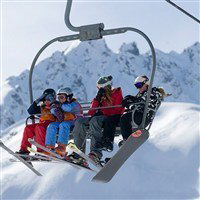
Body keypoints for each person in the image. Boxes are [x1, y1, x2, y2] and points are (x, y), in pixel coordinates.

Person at [72, 75, 124, 163]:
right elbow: (91, 112)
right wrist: (97, 98)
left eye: (100, 88)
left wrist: (103, 111)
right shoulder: (99, 97)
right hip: (97, 116)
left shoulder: (116, 93)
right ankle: (78, 152)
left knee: (94, 121)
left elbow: (117, 110)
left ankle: (96, 152)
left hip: (109, 117)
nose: (99, 90)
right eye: (98, 88)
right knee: (79, 122)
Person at [119, 75, 168, 146]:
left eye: (139, 85)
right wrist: (128, 99)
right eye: (136, 86)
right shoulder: (142, 94)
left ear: (146, 84)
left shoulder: (153, 92)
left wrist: (130, 103)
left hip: (144, 117)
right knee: (117, 119)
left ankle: (127, 140)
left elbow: (142, 103)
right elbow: (138, 102)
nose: (138, 88)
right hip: (139, 115)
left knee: (124, 118)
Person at [16, 88, 56, 155]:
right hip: (43, 124)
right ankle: (24, 150)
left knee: (39, 127)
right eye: (45, 99)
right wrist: (38, 100)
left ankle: (42, 150)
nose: (47, 101)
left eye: (49, 98)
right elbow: (30, 111)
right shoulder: (43, 107)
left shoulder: (56, 106)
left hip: (52, 125)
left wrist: (53, 106)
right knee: (28, 128)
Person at [45, 87, 83, 157]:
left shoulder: (74, 103)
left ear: (68, 97)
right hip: (65, 122)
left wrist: (59, 105)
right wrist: (53, 107)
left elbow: (68, 108)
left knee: (63, 124)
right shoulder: (62, 105)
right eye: (59, 98)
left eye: (62, 97)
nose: (60, 100)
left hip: (76, 121)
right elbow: (53, 112)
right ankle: (50, 147)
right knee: (52, 125)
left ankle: (61, 148)